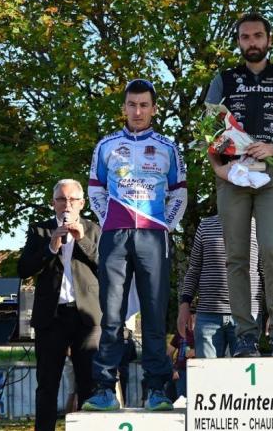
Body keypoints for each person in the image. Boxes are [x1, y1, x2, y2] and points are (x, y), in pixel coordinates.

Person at [205, 12, 273, 357]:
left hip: (271, 173)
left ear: (268, 39)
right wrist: (220, 171)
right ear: (238, 41)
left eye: (257, 36)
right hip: (233, 175)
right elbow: (208, 132)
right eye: (245, 37)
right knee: (236, 256)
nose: (252, 42)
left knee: (271, 248)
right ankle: (245, 335)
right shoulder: (224, 80)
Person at [85, 78, 187, 411]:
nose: (138, 111)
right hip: (115, 235)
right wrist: (108, 219)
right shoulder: (106, 145)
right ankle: (104, 388)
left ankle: (156, 389)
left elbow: (180, 192)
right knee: (112, 314)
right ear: (124, 107)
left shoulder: (168, 147)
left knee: (155, 315)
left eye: (144, 105)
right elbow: (96, 189)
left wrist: (164, 225)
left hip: (153, 236)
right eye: (132, 104)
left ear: (154, 109)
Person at [18, 179, 101, 431]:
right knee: (47, 383)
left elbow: (107, 266)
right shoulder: (40, 231)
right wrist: (51, 247)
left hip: (86, 316)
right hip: (51, 317)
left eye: (72, 200)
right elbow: (23, 269)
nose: (67, 205)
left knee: (89, 382)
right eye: (61, 200)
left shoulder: (94, 229)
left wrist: (82, 240)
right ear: (53, 202)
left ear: (82, 203)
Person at [176, 215, 262, 358]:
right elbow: (194, 269)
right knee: (207, 377)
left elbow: (266, 270)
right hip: (208, 315)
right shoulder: (205, 226)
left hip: (246, 317)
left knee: (245, 377)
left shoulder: (258, 226)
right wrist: (185, 304)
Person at [167, 314, 195, 400]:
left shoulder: (204, 333)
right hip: (181, 373)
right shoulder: (181, 333)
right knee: (182, 401)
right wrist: (173, 369)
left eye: (194, 315)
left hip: (198, 372)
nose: (192, 317)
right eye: (190, 314)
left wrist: (196, 352)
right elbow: (168, 353)